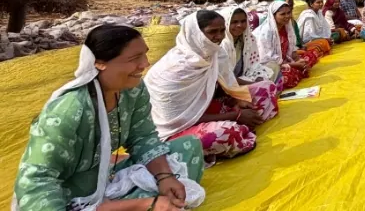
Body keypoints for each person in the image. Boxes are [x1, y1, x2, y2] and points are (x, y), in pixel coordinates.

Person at [13, 25, 205, 211]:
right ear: (100, 63)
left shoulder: (133, 90)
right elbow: (37, 179)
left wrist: (165, 177)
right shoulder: (69, 111)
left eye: (145, 54)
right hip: (71, 196)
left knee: (189, 147)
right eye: (135, 58)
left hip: (107, 175)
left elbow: (143, 137)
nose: (145, 63)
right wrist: (143, 204)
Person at [146, 11, 276, 163]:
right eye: (212, 32)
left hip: (209, 109)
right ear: (195, 34)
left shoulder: (215, 53)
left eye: (222, 30)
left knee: (266, 88)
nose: (220, 36)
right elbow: (180, 120)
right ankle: (237, 130)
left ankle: (240, 128)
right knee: (226, 133)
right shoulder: (174, 69)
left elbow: (226, 84)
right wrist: (236, 116)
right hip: (178, 130)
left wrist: (238, 99)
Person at [255, 1, 321, 90]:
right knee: (287, 77)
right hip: (270, 65)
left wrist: (298, 59)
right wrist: (294, 65)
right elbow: (267, 58)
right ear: (274, 16)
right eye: (282, 14)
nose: (287, 16)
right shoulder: (267, 31)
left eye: (289, 13)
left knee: (312, 54)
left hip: (286, 60)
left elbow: (292, 48)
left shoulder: (287, 27)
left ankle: (300, 69)